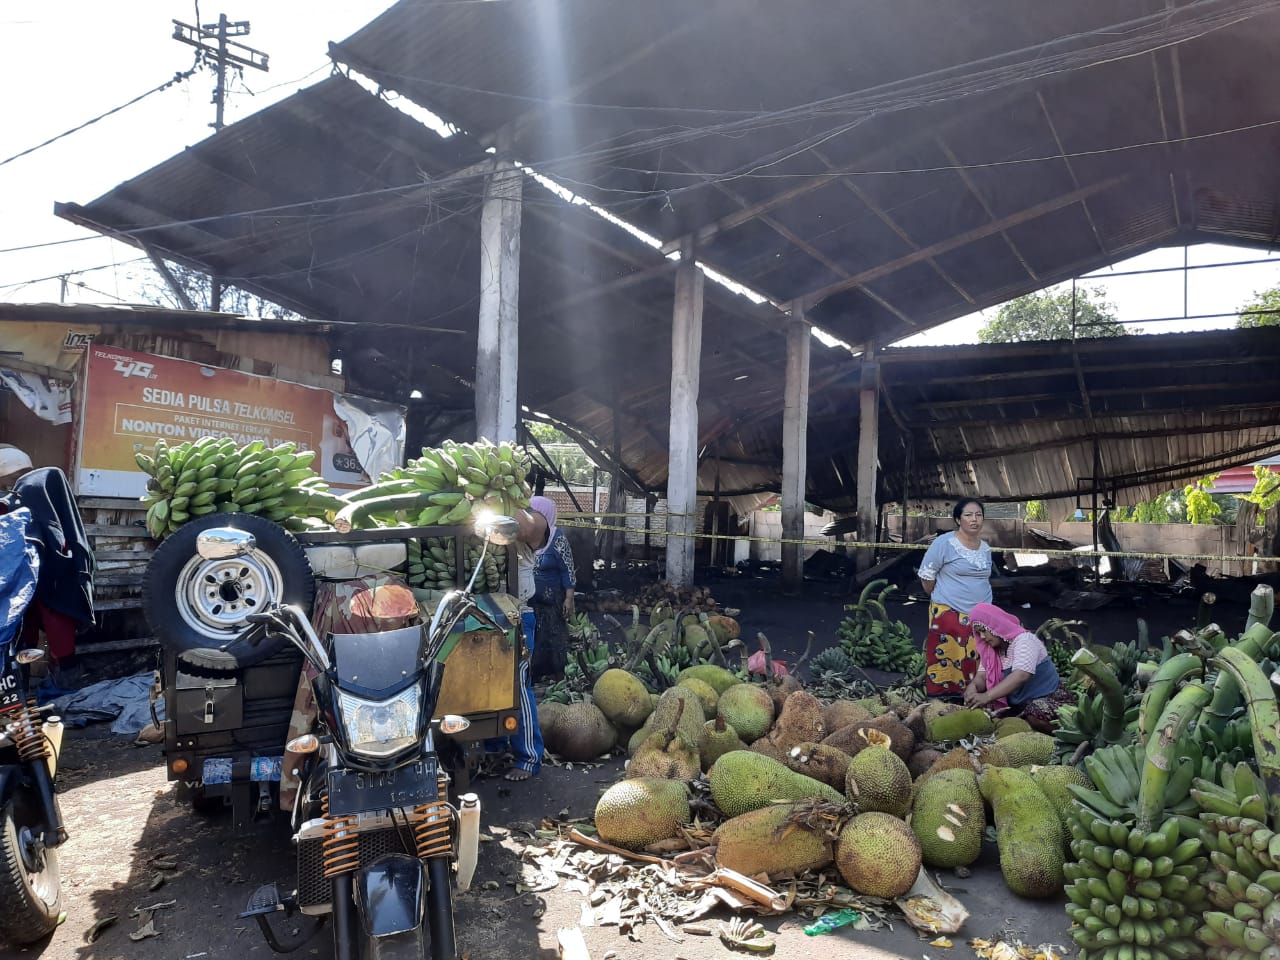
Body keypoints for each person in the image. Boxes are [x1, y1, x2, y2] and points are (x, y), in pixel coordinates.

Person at [917, 497, 991, 699]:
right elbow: (926, 576)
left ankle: (971, 696)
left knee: (974, 657)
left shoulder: (985, 548)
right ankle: (942, 699)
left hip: (979, 616)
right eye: (968, 515)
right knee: (946, 656)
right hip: (948, 612)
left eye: (978, 515)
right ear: (958, 520)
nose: (974, 519)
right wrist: (940, 599)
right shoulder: (944, 543)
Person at [497, 505, 548, 782]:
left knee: (518, 684)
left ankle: (529, 756)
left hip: (519, 614)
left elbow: (526, 527)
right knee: (489, 687)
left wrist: (494, 500)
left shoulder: (537, 522)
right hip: (485, 612)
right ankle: (494, 747)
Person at [963, 601, 1071, 730]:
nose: (982, 636)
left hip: (1048, 698)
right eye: (978, 633)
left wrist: (986, 696)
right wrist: (972, 687)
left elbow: (1021, 675)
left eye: (984, 631)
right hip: (1016, 706)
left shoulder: (1025, 640)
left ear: (995, 626)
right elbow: (981, 677)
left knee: (1036, 716)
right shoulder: (990, 651)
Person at [527, 495, 576, 682]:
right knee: (534, 638)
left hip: (552, 601)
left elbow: (568, 568)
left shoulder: (558, 538)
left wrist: (568, 598)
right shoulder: (526, 536)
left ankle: (558, 676)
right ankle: (534, 675)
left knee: (554, 638)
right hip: (531, 600)